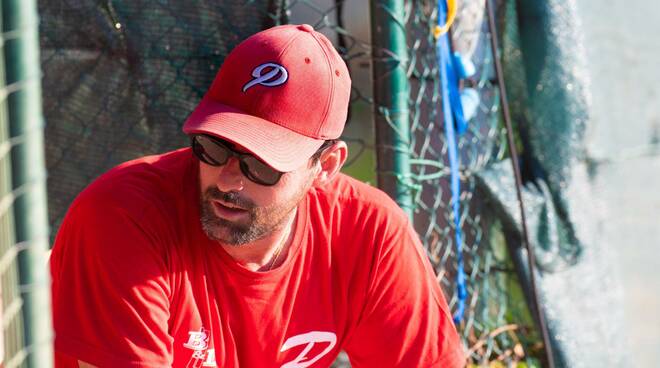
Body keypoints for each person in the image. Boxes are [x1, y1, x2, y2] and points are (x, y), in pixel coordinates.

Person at [50, 24, 465, 368]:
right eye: (214, 147)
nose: (229, 180)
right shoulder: (123, 217)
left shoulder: (369, 230)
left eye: (262, 164)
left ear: (326, 167)